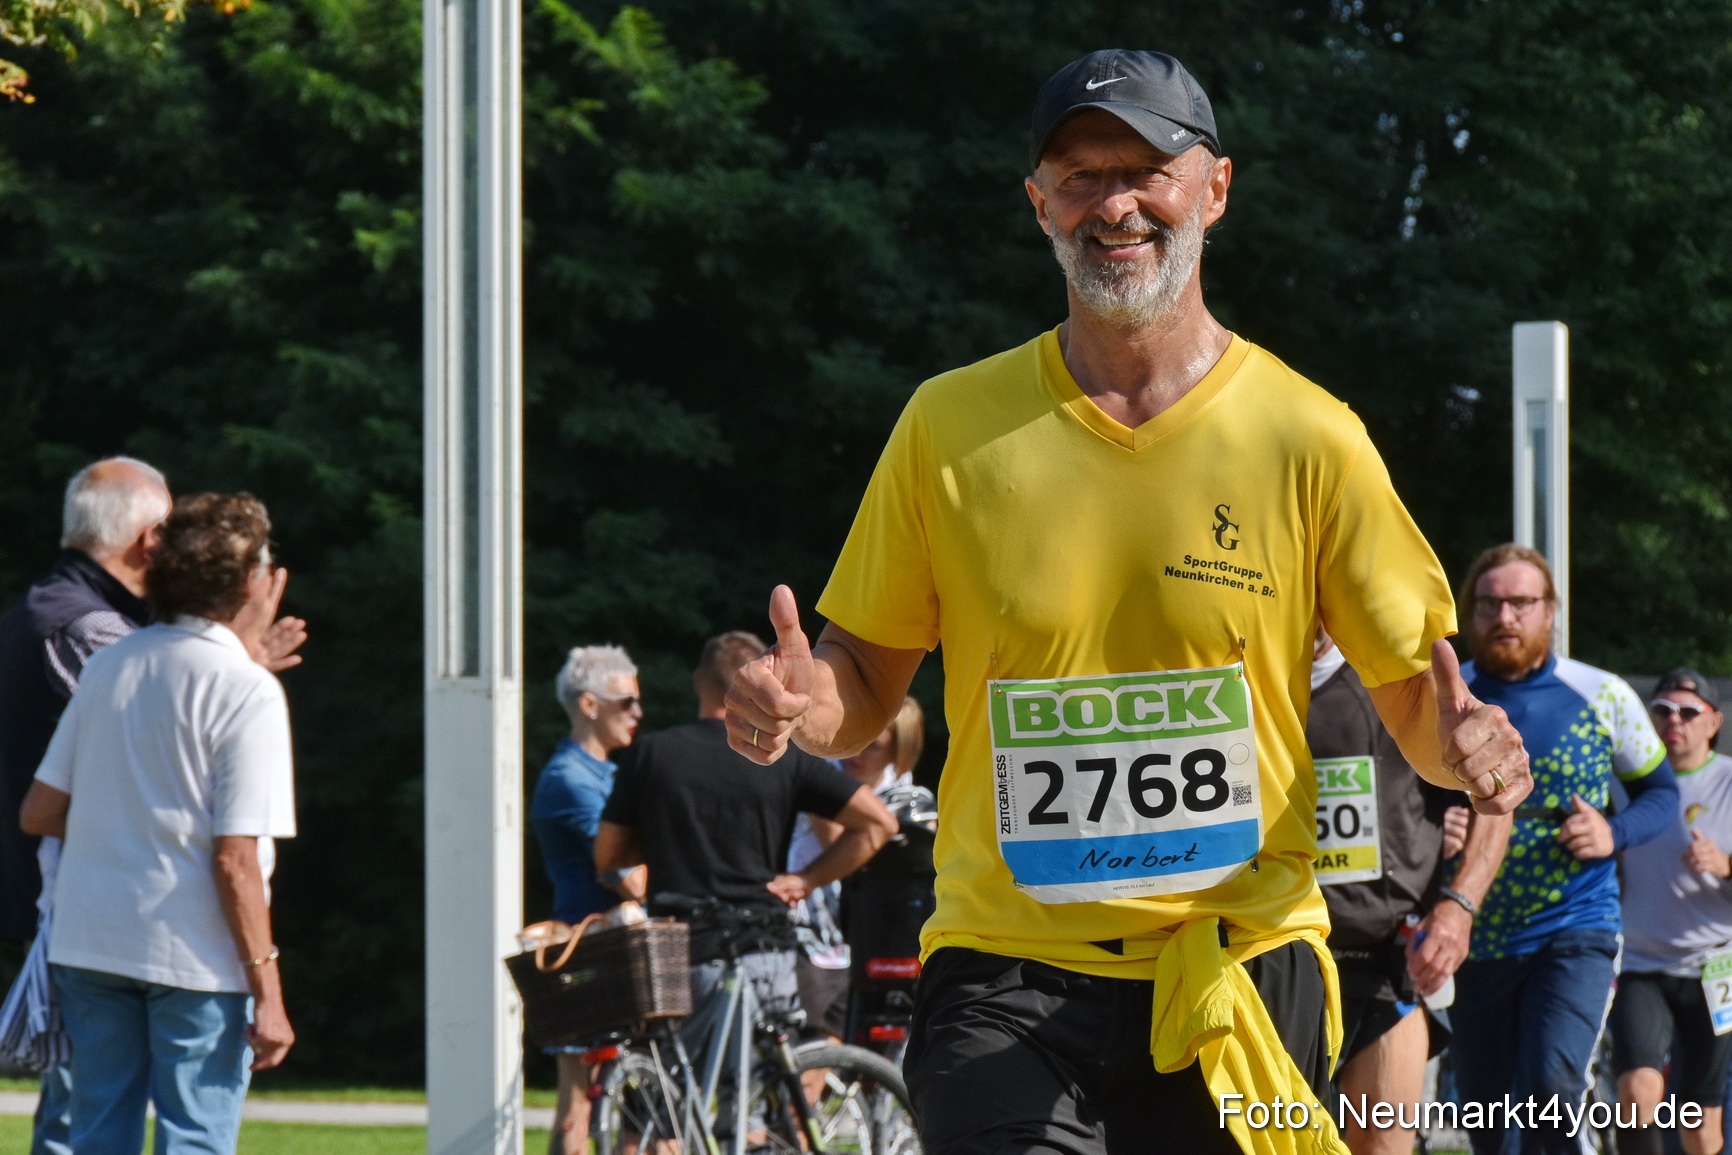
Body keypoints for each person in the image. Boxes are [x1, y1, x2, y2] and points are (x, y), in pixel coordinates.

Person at [723, 47, 1530, 1155]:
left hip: (1239, 968)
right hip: (1005, 969)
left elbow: (1418, 708)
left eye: (1145, 168)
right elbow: (858, 683)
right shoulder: (948, 428)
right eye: (1081, 173)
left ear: (1214, 189)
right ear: (1038, 203)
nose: (1116, 203)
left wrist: (1471, 743)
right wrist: (799, 706)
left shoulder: (1310, 437)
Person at [0, 458, 304, 1155]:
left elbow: (38, 811)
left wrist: (125, 816)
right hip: (194, 952)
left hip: (91, 940)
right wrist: (271, 990)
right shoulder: (247, 690)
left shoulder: (112, 661)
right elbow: (234, 860)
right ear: (252, 583)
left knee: (97, 1134)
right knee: (195, 1135)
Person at [1446, 543, 1679, 1155]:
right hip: (1475, 934)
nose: (1506, 616)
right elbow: (1402, 802)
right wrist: (1433, 833)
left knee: (1552, 1089)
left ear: (1551, 611)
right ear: (1470, 613)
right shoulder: (1444, 698)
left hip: (1575, 924)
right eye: (1491, 603)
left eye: (1522, 602)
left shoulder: (1602, 693)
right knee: (1486, 1113)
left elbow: (1660, 793)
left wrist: (1613, 833)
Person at [593, 631, 896, 1061]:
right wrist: (805, 881)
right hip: (764, 947)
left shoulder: (652, 754)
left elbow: (608, 856)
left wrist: (665, 844)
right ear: (760, 682)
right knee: (753, 1102)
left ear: (699, 681)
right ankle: (750, 1131)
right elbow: (877, 823)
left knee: (667, 1102)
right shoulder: (781, 756)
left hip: (677, 954)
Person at [1309, 627, 1512, 1155]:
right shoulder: (1244, 685)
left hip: (1386, 961)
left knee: (1381, 1146)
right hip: (1274, 956)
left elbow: (1492, 798)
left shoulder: (1398, 686)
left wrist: (1459, 907)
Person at [1609, 667, 1732, 1155]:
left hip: (1715, 966)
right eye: (1661, 710)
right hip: (1641, 965)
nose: (1672, 720)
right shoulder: (1626, 782)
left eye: (1688, 711)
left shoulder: (1728, 781)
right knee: (1636, 1095)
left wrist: (1726, 865)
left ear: (1714, 722)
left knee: (1701, 1125)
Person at [529, 643, 644, 1155]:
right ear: (589, 705)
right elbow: (631, 878)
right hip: (583, 953)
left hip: (612, 950)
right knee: (577, 1107)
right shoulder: (569, 779)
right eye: (626, 703)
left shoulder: (606, 774)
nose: (638, 713)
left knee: (635, 1101)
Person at [788, 695, 928, 1044]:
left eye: (873, 747)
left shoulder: (907, 793)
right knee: (817, 1029)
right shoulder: (825, 776)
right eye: (856, 740)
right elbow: (841, 852)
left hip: (874, 923)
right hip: (817, 918)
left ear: (899, 751)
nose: (857, 753)